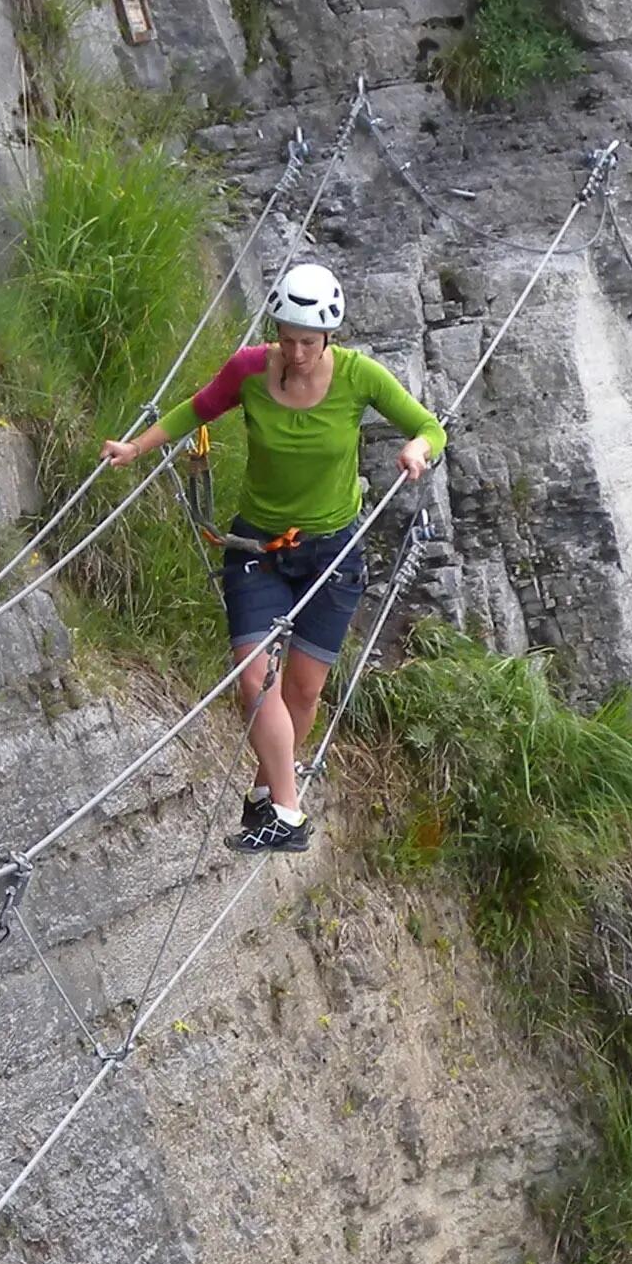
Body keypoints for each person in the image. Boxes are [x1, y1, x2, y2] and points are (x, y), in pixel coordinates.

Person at [102, 261, 445, 852]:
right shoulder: (251, 370)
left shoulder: (359, 377)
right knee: (256, 676)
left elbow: (430, 427)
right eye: (286, 338)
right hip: (258, 545)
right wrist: (137, 448)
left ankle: (266, 796)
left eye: (307, 342)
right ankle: (288, 812)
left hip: (332, 552)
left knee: (303, 692)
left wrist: (417, 447)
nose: (295, 352)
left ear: (328, 337)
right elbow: (197, 409)